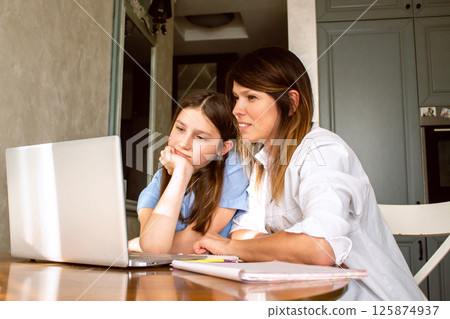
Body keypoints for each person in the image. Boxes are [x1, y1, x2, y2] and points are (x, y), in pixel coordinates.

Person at [192, 47, 423, 301]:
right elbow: (244, 231)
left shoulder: (322, 151)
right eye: (236, 98)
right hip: (307, 298)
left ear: (291, 102)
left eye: (251, 98)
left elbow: (318, 248)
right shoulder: (263, 162)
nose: (236, 109)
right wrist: (287, 244)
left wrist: (234, 247)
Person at [129, 90, 248, 254]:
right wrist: (181, 172)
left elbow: (190, 244)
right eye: (180, 129)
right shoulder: (160, 178)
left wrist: (137, 244)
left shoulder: (234, 169)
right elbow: (153, 245)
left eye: (200, 138)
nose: (184, 143)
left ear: (224, 148)